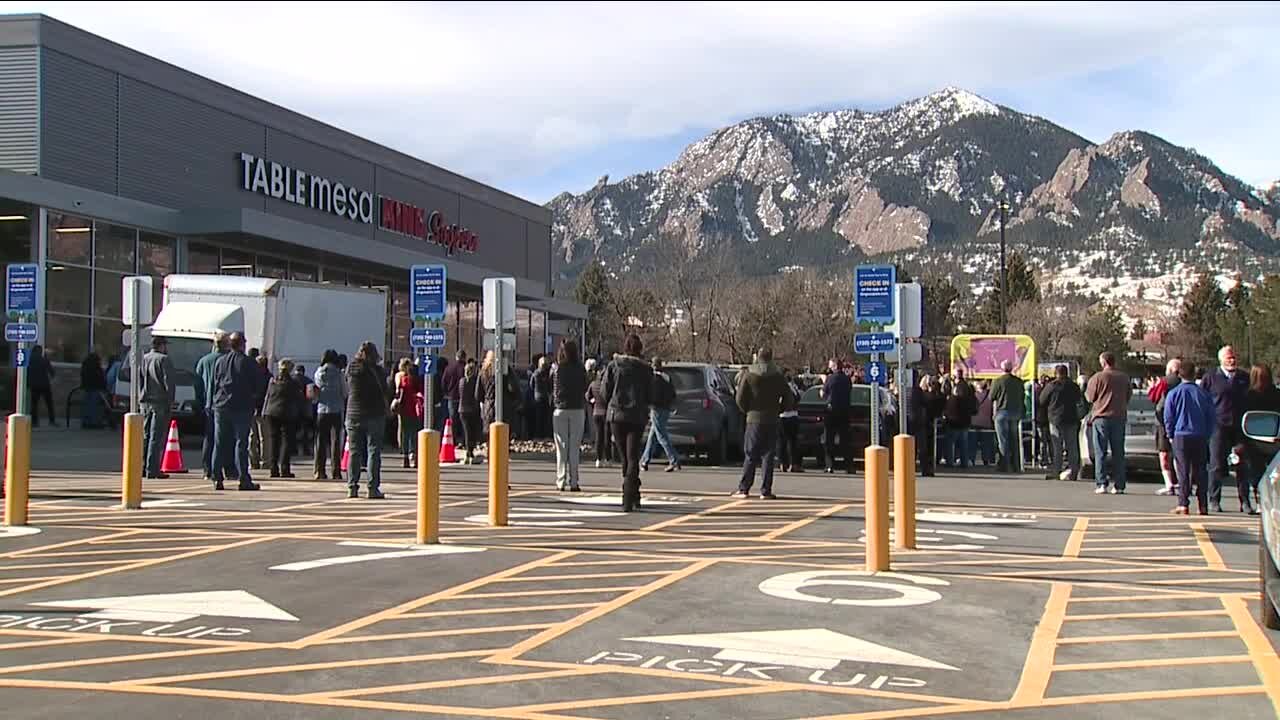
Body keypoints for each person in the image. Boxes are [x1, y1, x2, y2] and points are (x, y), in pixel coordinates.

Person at [732, 348, 794, 499]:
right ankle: (765, 490)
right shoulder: (778, 375)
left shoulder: (749, 374)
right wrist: (779, 409)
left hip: (753, 418)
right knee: (768, 455)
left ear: (757, 357)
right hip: (772, 419)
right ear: (771, 357)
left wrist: (747, 410)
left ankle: (744, 488)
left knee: (751, 454)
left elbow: (740, 398)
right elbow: (789, 398)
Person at [603, 335, 652, 512]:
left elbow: (604, 390)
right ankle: (630, 492)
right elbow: (650, 393)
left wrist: (611, 404)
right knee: (632, 457)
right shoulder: (645, 370)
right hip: (636, 415)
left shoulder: (614, 366)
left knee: (624, 456)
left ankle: (630, 491)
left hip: (616, 415)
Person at [1200, 345, 1251, 513]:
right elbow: (1202, 401)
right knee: (1216, 465)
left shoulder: (1244, 378)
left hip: (1239, 427)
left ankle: (1245, 501)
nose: (1232, 360)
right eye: (1228, 358)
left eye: (1234, 357)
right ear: (1221, 359)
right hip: (1218, 427)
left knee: (1242, 465)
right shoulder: (1211, 377)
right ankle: (1214, 500)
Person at [1163, 363, 1216, 515]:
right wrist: (1208, 433)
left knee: (1183, 470)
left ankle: (1183, 503)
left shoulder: (1174, 393)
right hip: (1199, 435)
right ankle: (1203, 505)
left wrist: (1170, 434)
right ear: (1195, 374)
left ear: (1179, 375)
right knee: (1200, 471)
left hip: (1181, 435)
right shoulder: (1203, 394)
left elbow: (1168, 416)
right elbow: (1211, 416)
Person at [211, 332, 261, 491]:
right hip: (241, 406)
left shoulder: (220, 361)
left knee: (219, 443)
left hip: (221, 405)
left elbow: (215, 382)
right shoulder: (248, 362)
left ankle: (217, 478)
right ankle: (243, 479)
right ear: (242, 344)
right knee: (241, 443)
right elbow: (257, 385)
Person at [346, 341, 389, 499]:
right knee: (373, 451)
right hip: (374, 413)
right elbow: (385, 389)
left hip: (353, 413)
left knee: (354, 451)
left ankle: (352, 487)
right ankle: (372, 487)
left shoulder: (351, 369)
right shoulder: (377, 371)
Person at [1085, 351, 1131, 495]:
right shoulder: (1124, 378)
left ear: (1104, 362)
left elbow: (1090, 397)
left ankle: (1102, 483)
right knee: (1119, 452)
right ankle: (1119, 485)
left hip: (1101, 417)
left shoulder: (1097, 377)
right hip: (1119, 417)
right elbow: (1128, 395)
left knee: (1100, 452)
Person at [551, 339, 588, 491]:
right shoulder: (580, 368)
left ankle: (561, 480)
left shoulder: (559, 369)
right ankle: (574, 481)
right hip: (577, 408)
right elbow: (584, 387)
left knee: (561, 446)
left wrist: (557, 401)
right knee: (574, 447)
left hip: (561, 409)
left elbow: (555, 390)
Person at [1244, 364, 1280, 513]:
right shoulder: (1276, 394)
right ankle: (1272, 501)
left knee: (1257, 472)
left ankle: (1261, 502)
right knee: (1273, 473)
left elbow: (1242, 417)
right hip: (1273, 439)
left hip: (1255, 439)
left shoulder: (1248, 396)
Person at [139, 337, 176, 479]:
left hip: (145, 401)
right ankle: (152, 469)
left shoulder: (144, 359)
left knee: (145, 435)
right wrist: (171, 400)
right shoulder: (164, 360)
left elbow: (139, 379)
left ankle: (143, 467)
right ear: (161, 346)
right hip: (160, 401)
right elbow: (169, 382)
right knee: (156, 436)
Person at [195, 333, 230, 481]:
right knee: (225, 438)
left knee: (209, 438)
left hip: (208, 403)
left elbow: (197, 383)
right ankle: (227, 468)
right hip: (223, 403)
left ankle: (207, 469)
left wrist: (200, 401)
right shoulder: (227, 360)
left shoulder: (204, 361)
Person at [1041, 364, 1084, 482]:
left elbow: (1042, 400)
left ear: (1056, 373)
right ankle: (1073, 471)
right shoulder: (1074, 386)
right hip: (1071, 418)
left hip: (1056, 419)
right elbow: (1080, 400)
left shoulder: (1051, 386)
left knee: (1057, 446)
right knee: (1072, 446)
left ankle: (1057, 471)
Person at [263, 358, 304, 478]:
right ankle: (285, 468)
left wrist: (264, 411)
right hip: (287, 413)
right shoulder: (293, 383)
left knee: (274, 440)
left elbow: (268, 396)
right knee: (286, 441)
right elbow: (298, 398)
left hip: (271, 412)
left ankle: (273, 468)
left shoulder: (273, 381)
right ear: (290, 369)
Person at [641, 357, 682, 473]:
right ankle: (645, 460)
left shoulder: (653, 378)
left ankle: (674, 459)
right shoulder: (667, 377)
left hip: (657, 409)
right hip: (666, 408)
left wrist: (648, 404)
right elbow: (673, 393)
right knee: (653, 435)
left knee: (661, 435)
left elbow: (651, 395)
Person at [1149, 358, 1183, 496]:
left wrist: (1152, 387)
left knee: (1164, 454)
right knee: (1179, 455)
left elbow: (1153, 397)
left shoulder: (1164, 381)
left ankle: (1169, 484)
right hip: (1180, 422)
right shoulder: (1185, 382)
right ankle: (1182, 483)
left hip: (1164, 422)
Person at [312, 349, 345, 481]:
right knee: (336, 441)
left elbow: (315, 391)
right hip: (336, 410)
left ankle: (319, 471)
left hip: (321, 409)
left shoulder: (318, 373)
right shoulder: (339, 374)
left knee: (320, 440)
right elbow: (345, 391)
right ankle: (336, 472)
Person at [989, 360, 1025, 473]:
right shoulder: (1019, 382)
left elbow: (991, 397)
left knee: (1003, 440)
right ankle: (1016, 465)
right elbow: (1022, 396)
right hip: (1015, 412)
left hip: (1002, 412)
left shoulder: (998, 381)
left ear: (1002, 368)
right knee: (1015, 440)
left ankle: (1003, 465)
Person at [820, 358, 853, 474]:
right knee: (845, 439)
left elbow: (823, 394)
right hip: (845, 411)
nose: (829, 368)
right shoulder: (847, 379)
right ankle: (849, 466)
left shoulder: (830, 379)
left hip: (831, 412)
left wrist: (823, 386)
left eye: (830, 366)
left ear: (834, 366)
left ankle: (830, 465)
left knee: (829, 439)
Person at [393, 357, 424, 468]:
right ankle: (415, 457)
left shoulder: (401, 380)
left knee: (405, 434)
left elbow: (398, 393)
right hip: (414, 409)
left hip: (404, 409)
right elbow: (420, 392)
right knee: (414, 434)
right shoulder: (416, 379)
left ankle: (405, 457)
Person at [941, 382, 976, 468]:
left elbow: (947, 411)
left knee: (950, 444)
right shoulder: (968, 400)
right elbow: (973, 411)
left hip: (953, 424)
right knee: (964, 445)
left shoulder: (952, 400)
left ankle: (950, 462)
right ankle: (964, 462)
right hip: (964, 425)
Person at [587, 367, 613, 468]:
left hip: (596, 412)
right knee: (607, 437)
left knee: (599, 436)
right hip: (606, 412)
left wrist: (593, 401)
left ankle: (598, 459)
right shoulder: (609, 386)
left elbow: (587, 396)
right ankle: (608, 458)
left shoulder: (593, 384)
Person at [459, 357, 482, 465]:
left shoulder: (462, 381)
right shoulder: (475, 381)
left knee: (466, 431)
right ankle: (470, 452)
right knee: (472, 431)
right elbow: (477, 395)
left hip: (462, 409)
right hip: (473, 409)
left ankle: (468, 453)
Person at [778, 370, 803, 473]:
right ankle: (793, 464)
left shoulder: (778, 387)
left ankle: (783, 463)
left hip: (781, 416)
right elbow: (798, 398)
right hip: (791, 415)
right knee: (792, 442)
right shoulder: (792, 387)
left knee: (781, 442)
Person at [27, 345, 56, 427]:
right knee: (49, 403)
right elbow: (52, 372)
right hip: (44, 384)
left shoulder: (29, 360)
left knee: (34, 404)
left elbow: (26, 373)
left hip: (34, 385)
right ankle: (52, 421)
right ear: (40, 351)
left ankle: (34, 422)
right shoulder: (44, 360)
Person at [79, 351, 108, 429]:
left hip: (87, 387)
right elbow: (100, 378)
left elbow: (83, 376)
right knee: (94, 406)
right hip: (96, 388)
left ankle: (86, 421)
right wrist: (103, 387)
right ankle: (94, 422)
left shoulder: (85, 366)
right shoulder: (96, 368)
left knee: (87, 405)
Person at [970, 380, 996, 466]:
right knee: (986, 444)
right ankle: (986, 460)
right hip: (986, 423)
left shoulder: (973, 396)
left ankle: (972, 459)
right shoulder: (990, 397)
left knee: (972, 443)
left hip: (974, 422)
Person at [443, 350, 467, 434]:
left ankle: (453, 438)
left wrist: (446, 393)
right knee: (463, 421)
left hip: (451, 397)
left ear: (456, 357)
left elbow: (444, 382)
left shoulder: (449, 368)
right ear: (464, 357)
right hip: (463, 398)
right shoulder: (465, 368)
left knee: (453, 419)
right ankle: (463, 439)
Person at [293, 364, 314, 456]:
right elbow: (311, 397)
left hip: (293, 410)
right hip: (305, 409)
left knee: (292, 431)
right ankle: (306, 450)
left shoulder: (292, 380)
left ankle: (293, 449)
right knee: (305, 431)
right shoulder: (308, 381)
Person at [533, 354, 553, 439]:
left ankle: (538, 435)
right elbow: (550, 385)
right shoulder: (548, 374)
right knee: (546, 417)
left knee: (538, 417)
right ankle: (546, 434)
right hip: (545, 396)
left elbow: (531, 384)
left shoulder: (536, 373)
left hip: (537, 396)